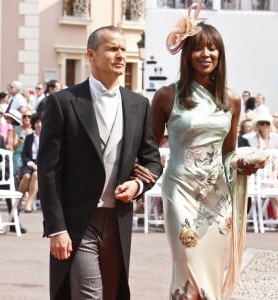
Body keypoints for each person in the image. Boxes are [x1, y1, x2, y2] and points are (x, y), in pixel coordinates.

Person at [137, 3, 267, 299]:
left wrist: (245, 163)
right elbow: (149, 148)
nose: (205, 55)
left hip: (218, 199)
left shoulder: (231, 100)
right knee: (188, 270)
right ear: (186, 53)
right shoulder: (167, 96)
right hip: (180, 193)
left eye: (212, 49)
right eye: (198, 48)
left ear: (220, 55)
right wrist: (136, 177)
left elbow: (228, 152)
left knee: (209, 272)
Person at [37, 25, 162, 300]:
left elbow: (153, 162)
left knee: (111, 295)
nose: (120, 56)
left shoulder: (139, 105)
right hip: (78, 223)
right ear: (91, 55)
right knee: (88, 295)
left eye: (123, 50)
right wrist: (56, 228)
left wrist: (138, 185)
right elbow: (47, 172)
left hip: (118, 222)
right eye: (112, 49)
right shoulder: (63, 102)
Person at [18, 112, 42, 213]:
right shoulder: (29, 137)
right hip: (29, 164)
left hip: (41, 165)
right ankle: (18, 200)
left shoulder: (47, 138)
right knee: (27, 176)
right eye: (36, 122)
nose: (39, 124)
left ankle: (29, 202)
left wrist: (39, 165)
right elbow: (24, 154)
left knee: (36, 175)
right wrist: (29, 163)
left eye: (41, 122)